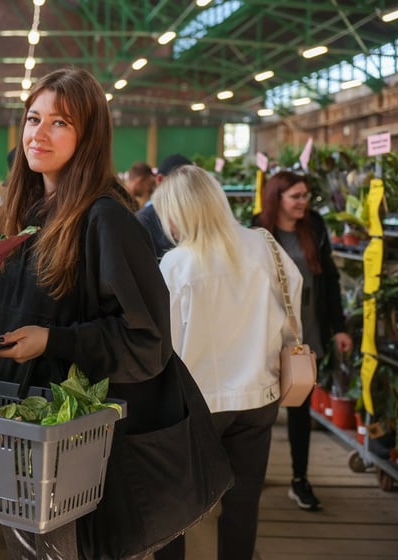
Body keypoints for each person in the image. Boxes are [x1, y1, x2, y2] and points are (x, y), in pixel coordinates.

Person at [0, 67, 230, 560]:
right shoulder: (21, 216)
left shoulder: (106, 219)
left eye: (61, 123)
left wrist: (54, 341)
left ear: (89, 135)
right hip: (27, 436)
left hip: (89, 455)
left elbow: (147, 341)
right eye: (34, 119)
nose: (39, 133)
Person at [153, 165, 304, 560]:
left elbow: (162, 343)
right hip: (259, 395)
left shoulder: (176, 264)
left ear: (181, 211)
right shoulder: (264, 246)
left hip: (196, 404)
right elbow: (293, 307)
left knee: (175, 504)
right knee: (243, 503)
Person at [253, 170, 353, 511]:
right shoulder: (257, 229)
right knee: (260, 409)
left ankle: (300, 479)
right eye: (295, 196)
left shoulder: (316, 227)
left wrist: (338, 327)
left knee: (299, 405)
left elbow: (330, 278)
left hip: (305, 330)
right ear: (277, 197)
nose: (303, 203)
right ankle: (252, 475)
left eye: (306, 196)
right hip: (265, 331)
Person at [136, 153, 192, 260]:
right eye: (178, 182)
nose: (187, 189)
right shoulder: (144, 220)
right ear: (160, 180)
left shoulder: (196, 215)